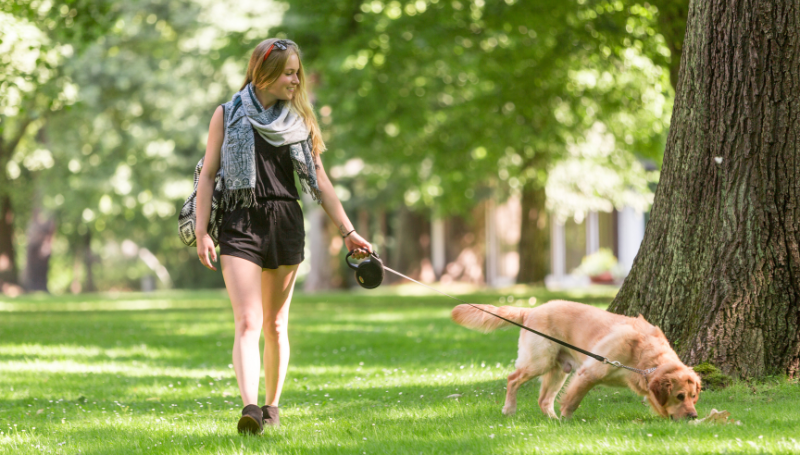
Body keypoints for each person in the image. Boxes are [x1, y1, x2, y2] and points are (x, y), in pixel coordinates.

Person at [194, 38, 372, 435]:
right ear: (265, 73)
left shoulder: (299, 119)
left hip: (285, 220)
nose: (296, 80)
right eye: (289, 72)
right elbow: (208, 174)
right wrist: (203, 230)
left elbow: (320, 180)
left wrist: (349, 231)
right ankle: (250, 408)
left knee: (275, 325)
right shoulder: (226, 114)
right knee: (247, 320)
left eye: (297, 72)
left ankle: (272, 407)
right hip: (239, 222)